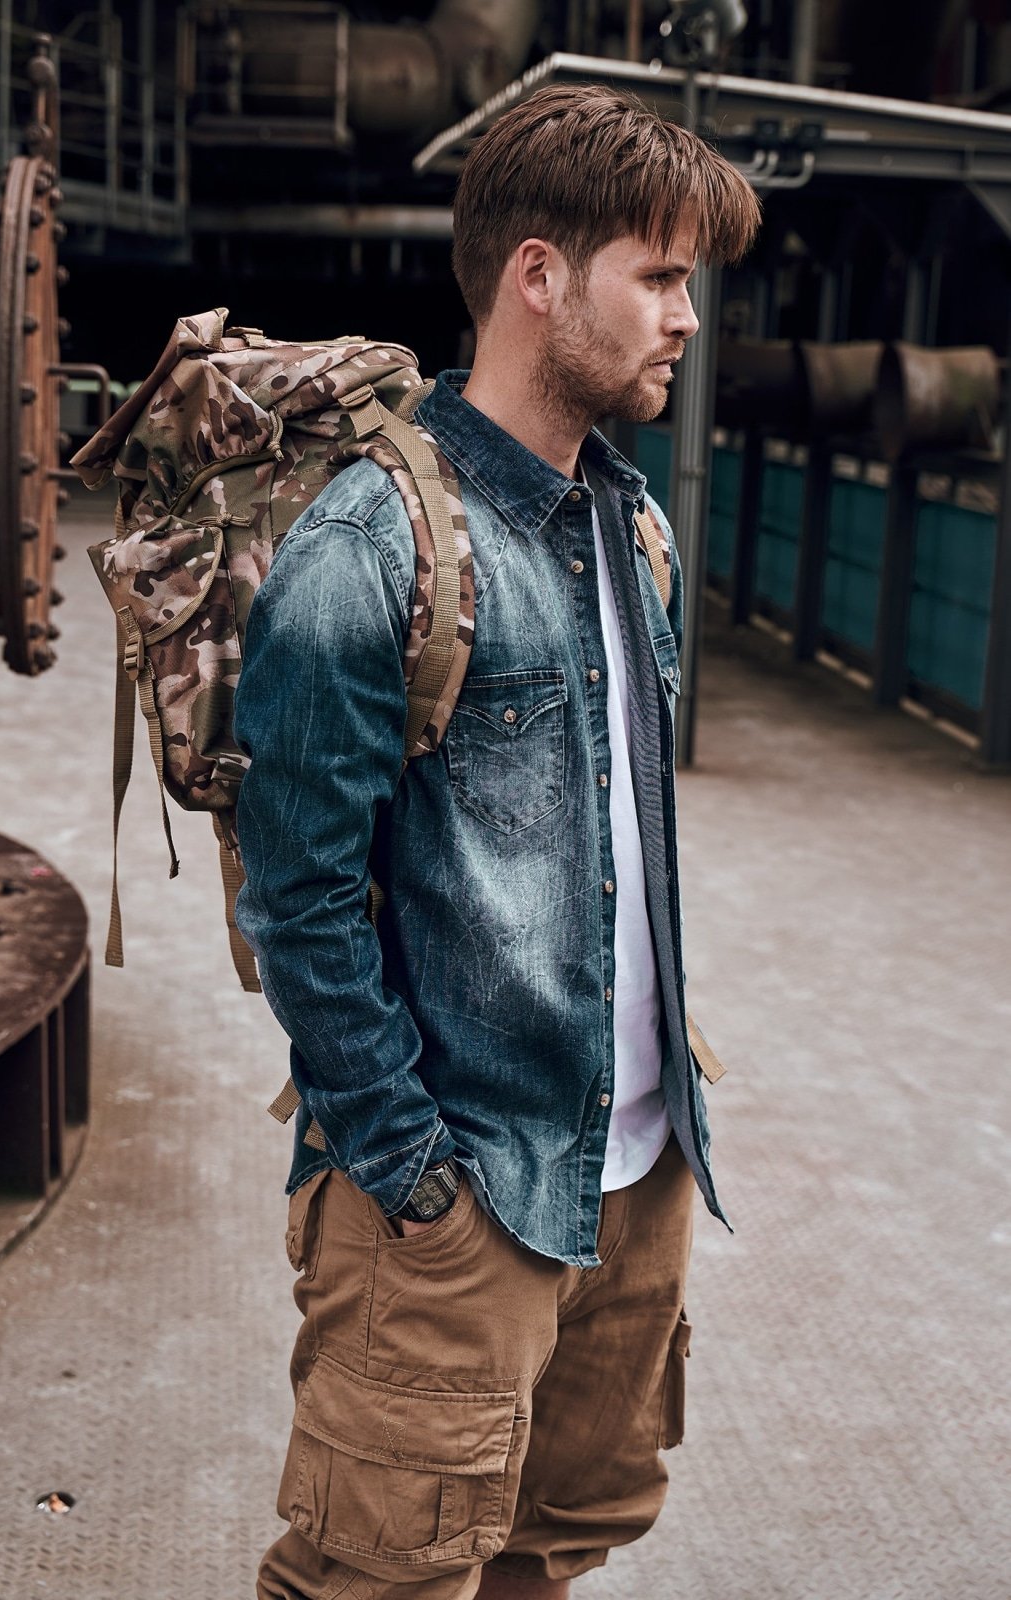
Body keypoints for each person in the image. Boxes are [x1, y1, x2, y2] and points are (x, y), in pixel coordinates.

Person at [234, 82, 760, 1600]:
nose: (684, 321)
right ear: (539, 277)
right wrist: (410, 1179)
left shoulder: (628, 522)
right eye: (658, 279)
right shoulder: (371, 548)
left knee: (550, 1547)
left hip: (637, 1168)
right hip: (461, 1202)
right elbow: (303, 903)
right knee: (379, 1578)